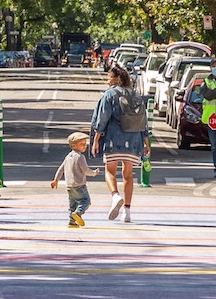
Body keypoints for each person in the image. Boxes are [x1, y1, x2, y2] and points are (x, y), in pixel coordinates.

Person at [89, 63, 148, 223]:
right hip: (134, 140)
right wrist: (145, 140)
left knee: (110, 172)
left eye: (109, 78)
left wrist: (96, 140)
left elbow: (102, 119)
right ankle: (127, 212)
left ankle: (115, 196)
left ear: (117, 79)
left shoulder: (109, 95)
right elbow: (144, 120)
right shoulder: (136, 95)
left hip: (113, 140)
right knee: (128, 174)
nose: (108, 81)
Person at [50, 131, 93, 228]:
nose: (84, 146)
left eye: (85, 144)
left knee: (72, 205)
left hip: (69, 186)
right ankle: (78, 213)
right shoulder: (80, 157)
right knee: (85, 201)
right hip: (80, 185)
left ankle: (72, 222)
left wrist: (56, 180)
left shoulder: (68, 157)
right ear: (73, 146)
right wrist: (94, 173)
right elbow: (85, 170)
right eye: (81, 144)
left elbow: (61, 169)